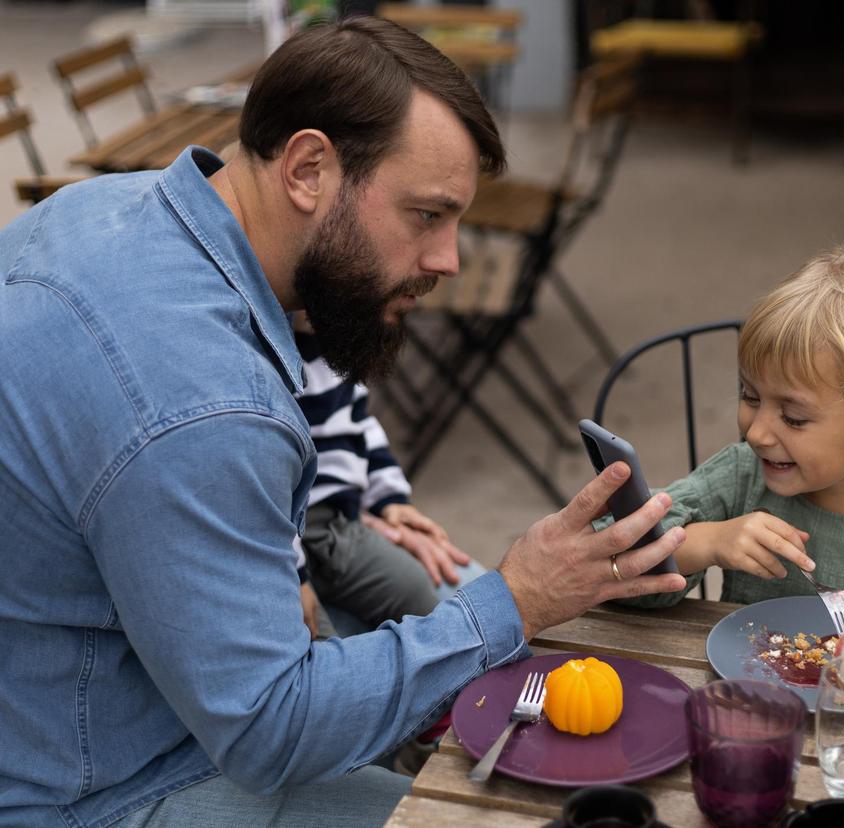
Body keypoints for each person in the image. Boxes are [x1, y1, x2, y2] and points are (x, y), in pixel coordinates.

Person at [0, 16, 687, 828]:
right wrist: (518, 599)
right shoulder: (203, 406)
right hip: (99, 788)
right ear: (308, 169)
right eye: (426, 216)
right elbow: (270, 732)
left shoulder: (103, 210)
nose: (449, 260)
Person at [616, 244, 844, 634]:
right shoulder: (741, 478)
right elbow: (613, 563)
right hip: (751, 694)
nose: (757, 433)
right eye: (749, 396)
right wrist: (706, 543)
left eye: (793, 418)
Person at [291, 318, 480, 641]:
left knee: (416, 590)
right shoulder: (271, 362)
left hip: (340, 526)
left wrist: (389, 499)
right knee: (313, 636)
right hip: (294, 529)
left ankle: (455, 674)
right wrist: (293, 575)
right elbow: (266, 489)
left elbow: (361, 429)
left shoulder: (334, 348)